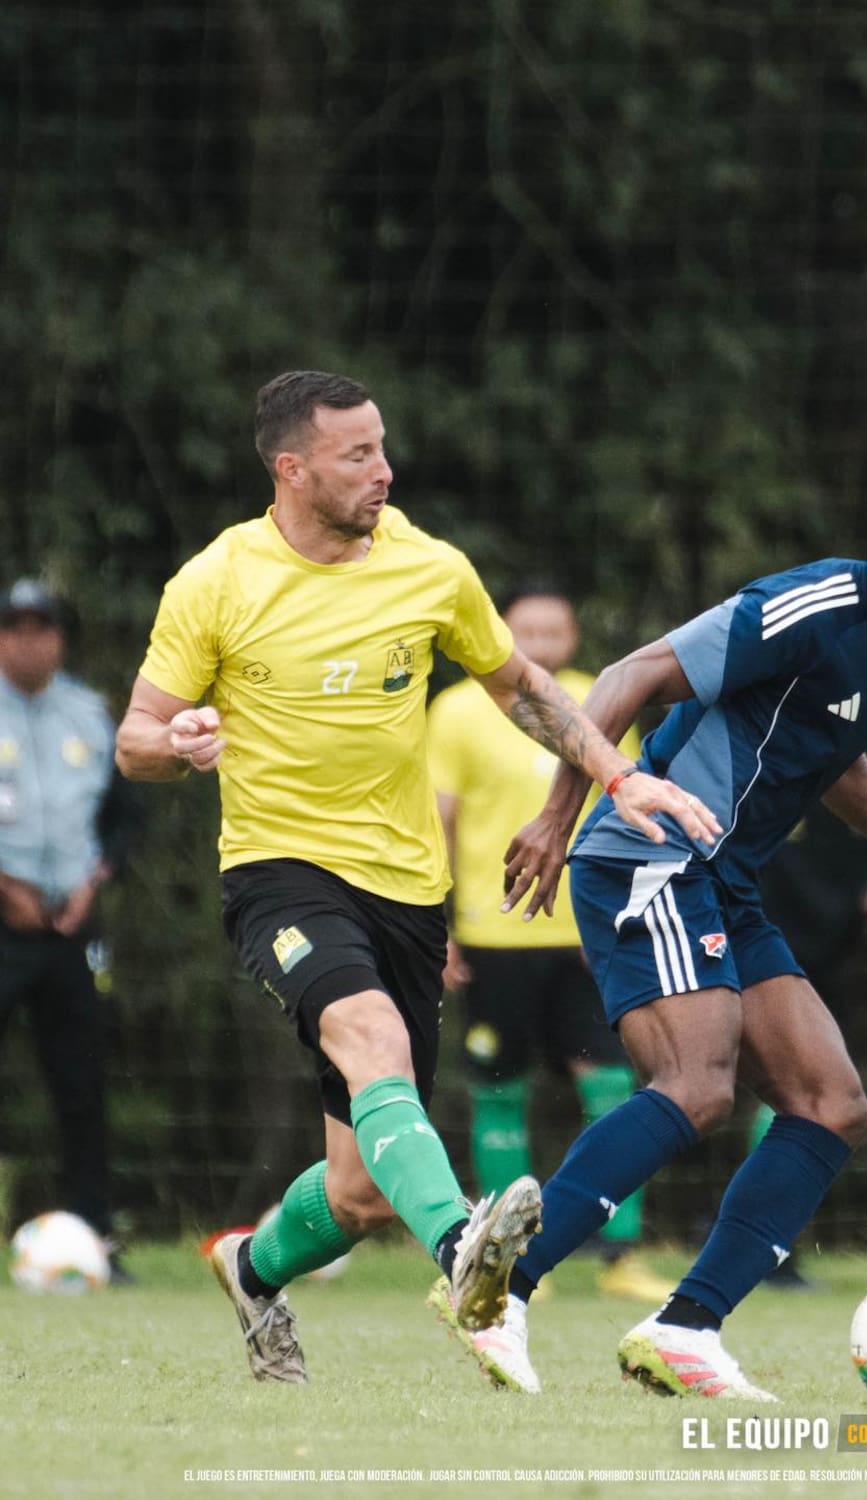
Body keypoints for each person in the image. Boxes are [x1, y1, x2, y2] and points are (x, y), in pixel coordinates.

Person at [114, 369, 718, 1383]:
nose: (384, 470)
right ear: (291, 469)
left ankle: (253, 1269)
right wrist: (176, 745)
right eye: (357, 455)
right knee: (373, 1038)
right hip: (279, 871)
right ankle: (462, 1254)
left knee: (356, 1194)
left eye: (383, 446)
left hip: (406, 892)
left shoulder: (431, 569)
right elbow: (135, 737)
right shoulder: (215, 581)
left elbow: (521, 688)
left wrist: (617, 775)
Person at [432, 470, 867, 1398]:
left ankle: (684, 1329)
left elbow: (835, 756)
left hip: (724, 879)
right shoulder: (816, 604)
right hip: (653, 851)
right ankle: (496, 1289)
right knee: (697, 1085)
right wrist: (560, 815)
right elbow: (628, 675)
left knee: (831, 1104)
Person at [428, 583, 672, 1304]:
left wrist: (624, 915)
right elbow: (438, 820)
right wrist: (439, 923)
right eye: (524, 629)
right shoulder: (457, 709)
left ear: (572, 636)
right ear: (501, 632)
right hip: (493, 932)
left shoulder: (598, 701)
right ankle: (502, 1257)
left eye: (553, 629)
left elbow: (628, 813)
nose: (539, 641)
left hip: (585, 935)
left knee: (613, 1088)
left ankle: (619, 1252)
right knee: (501, 1088)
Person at [0, 578, 139, 1282]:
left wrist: (92, 884)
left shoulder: (90, 712)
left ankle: (95, 1239)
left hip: (70, 928)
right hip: (5, 922)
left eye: (43, 628)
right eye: (16, 628)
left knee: (82, 1084)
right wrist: (6, 889)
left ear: (59, 638)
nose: (30, 642)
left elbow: (122, 817)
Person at [750, 726, 867, 1288]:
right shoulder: (767, 749)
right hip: (755, 942)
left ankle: (771, 1245)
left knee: (812, 1097)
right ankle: (758, 1243)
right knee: (746, 1092)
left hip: (832, 949)